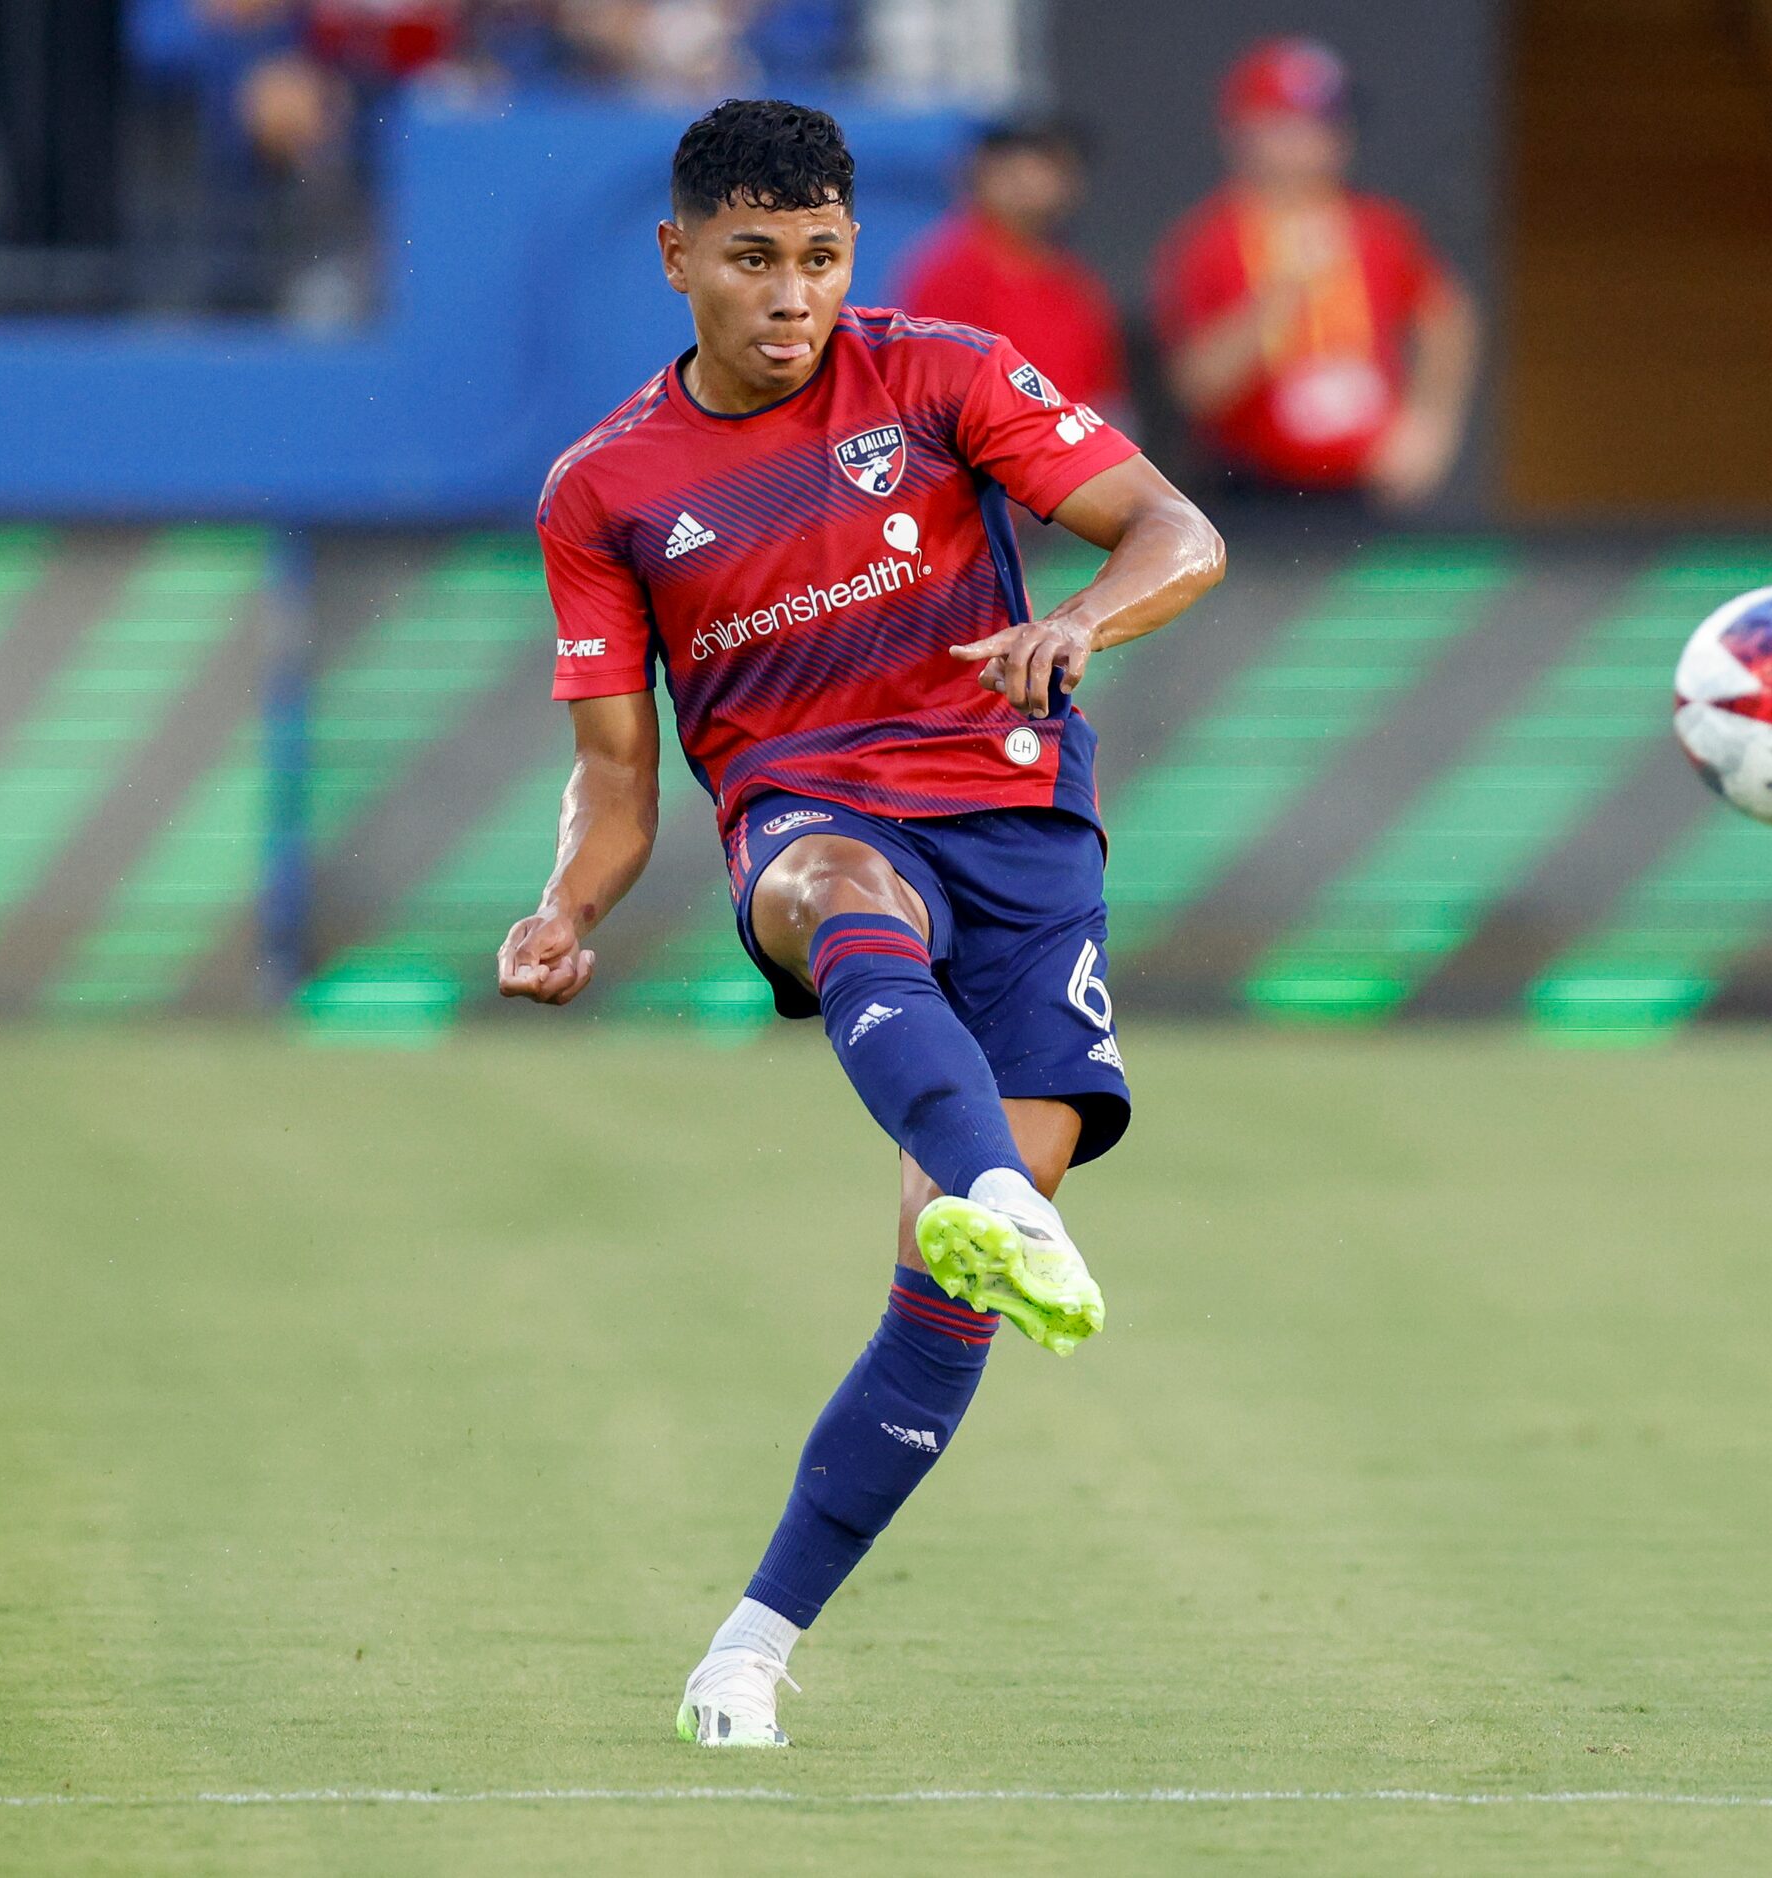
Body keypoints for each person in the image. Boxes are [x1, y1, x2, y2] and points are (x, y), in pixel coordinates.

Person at [496, 98, 1224, 1748]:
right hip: (811, 814)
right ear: (677, 256)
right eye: (752, 258)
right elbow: (616, 776)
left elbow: (1181, 531)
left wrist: (1086, 618)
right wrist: (564, 906)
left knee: (946, 1290)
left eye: (820, 257)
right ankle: (987, 1183)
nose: (791, 294)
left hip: (1026, 835)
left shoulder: (947, 374)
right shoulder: (605, 489)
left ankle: (745, 1649)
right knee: (837, 893)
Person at [1152, 34, 1478, 509]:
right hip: (1251, 490)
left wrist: (1430, 424)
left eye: (1330, 123)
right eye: (1292, 125)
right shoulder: (1206, 243)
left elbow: (1449, 321)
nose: (1319, 142)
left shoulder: (1379, 227)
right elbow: (1196, 387)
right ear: (1244, 132)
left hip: (1365, 490)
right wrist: (1283, 296)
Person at [896, 116, 1129, 420]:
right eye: (1015, 167)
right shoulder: (949, 273)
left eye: (1050, 166)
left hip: (1072, 455)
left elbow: (1104, 397)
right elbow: (929, 399)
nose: (1032, 181)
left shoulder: (1077, 285)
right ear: (982, 174)